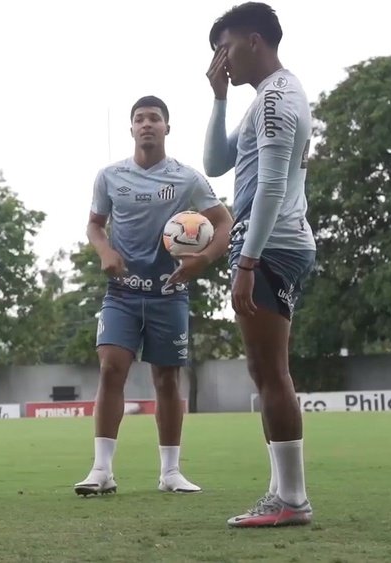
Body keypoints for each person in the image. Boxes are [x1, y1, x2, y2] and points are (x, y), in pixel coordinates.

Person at [74, 96, 233, 498]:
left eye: (155, 119)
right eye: (140, 119)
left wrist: (204, 259)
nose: (147, 124)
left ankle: (170, 472)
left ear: (167, 128)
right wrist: (106, 251)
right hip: (122, 293)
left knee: (166, 379)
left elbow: (224, 222)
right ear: (131, 129)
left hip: (169, 293)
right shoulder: (109, 176)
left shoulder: (187, 179)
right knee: (112, 369)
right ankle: (102, 470)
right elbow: (95, 225)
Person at [202, 2, 317, 528]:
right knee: (264, 370)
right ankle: (282, 492)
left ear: (252, 40)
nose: (220, 59)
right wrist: (220, 98)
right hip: (270, 242)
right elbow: (216, 163)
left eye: (223, 47)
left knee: (270, 372)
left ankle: (292, 500)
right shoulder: (265, 98)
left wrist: (247, 261)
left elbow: (270, 184)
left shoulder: (276, 98)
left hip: (268, 244)